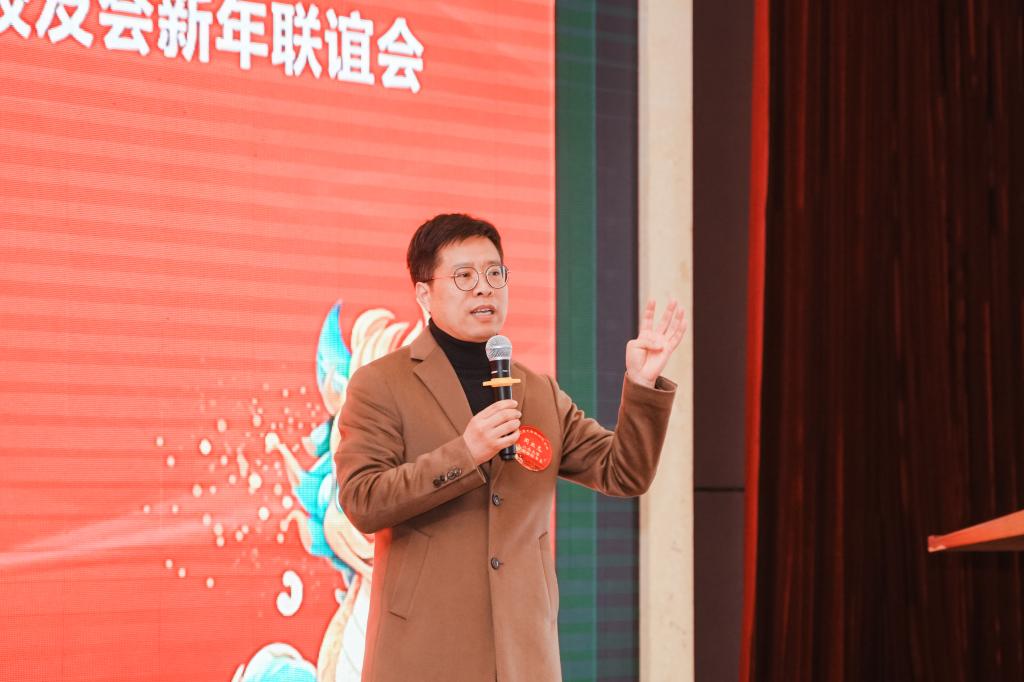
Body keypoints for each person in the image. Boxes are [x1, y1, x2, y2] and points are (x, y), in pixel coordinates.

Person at [334, 213, 685, 681]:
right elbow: (363, 500)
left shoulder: (537, 391)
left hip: (525, 654)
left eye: (494, 273)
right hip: (425, 651)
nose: (484, 289)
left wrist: (641, 386)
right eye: (464, 276)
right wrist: (465, 453)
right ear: (423, 293)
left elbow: (624, 473)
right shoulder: (381, 384)